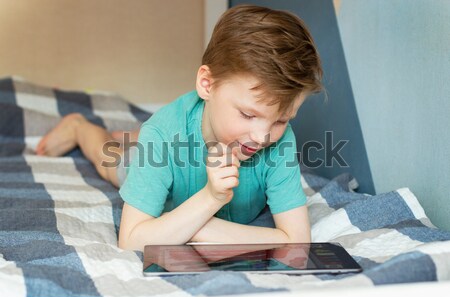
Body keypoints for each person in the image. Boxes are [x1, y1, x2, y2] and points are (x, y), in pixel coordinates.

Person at [36, 5, 323, 251]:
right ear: (207, 85)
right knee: (111, 162)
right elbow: (132, 239)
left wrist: (198, 227)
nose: (262, 136)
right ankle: (79, 127)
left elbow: (297, 242)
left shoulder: (278, 139)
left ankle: (134, 135)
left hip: (176, 150)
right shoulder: (161, 135)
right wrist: (211, 199)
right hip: (162, 147)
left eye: (282, 119)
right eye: (248, 115)